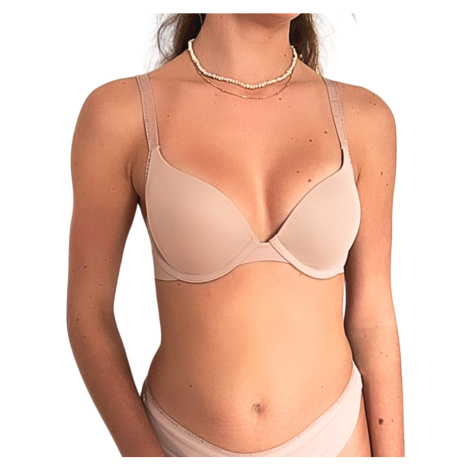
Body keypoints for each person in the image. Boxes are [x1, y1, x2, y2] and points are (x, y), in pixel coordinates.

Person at [66, 13, 404, 457]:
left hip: (338, 441)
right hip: (179, 447)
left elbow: (373, 318)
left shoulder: (363, 119)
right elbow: (88, 313)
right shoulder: (121, 114)